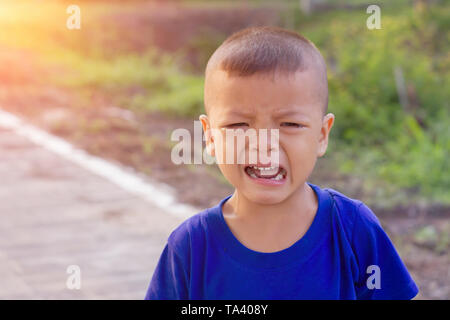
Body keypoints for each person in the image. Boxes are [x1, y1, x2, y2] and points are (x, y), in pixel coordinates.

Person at [145, 26, 419, 300]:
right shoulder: (190, 249)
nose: (264, 143)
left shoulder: (353, 230)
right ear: (210, 136)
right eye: (238, 124)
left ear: (322, 135)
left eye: (290, 124)